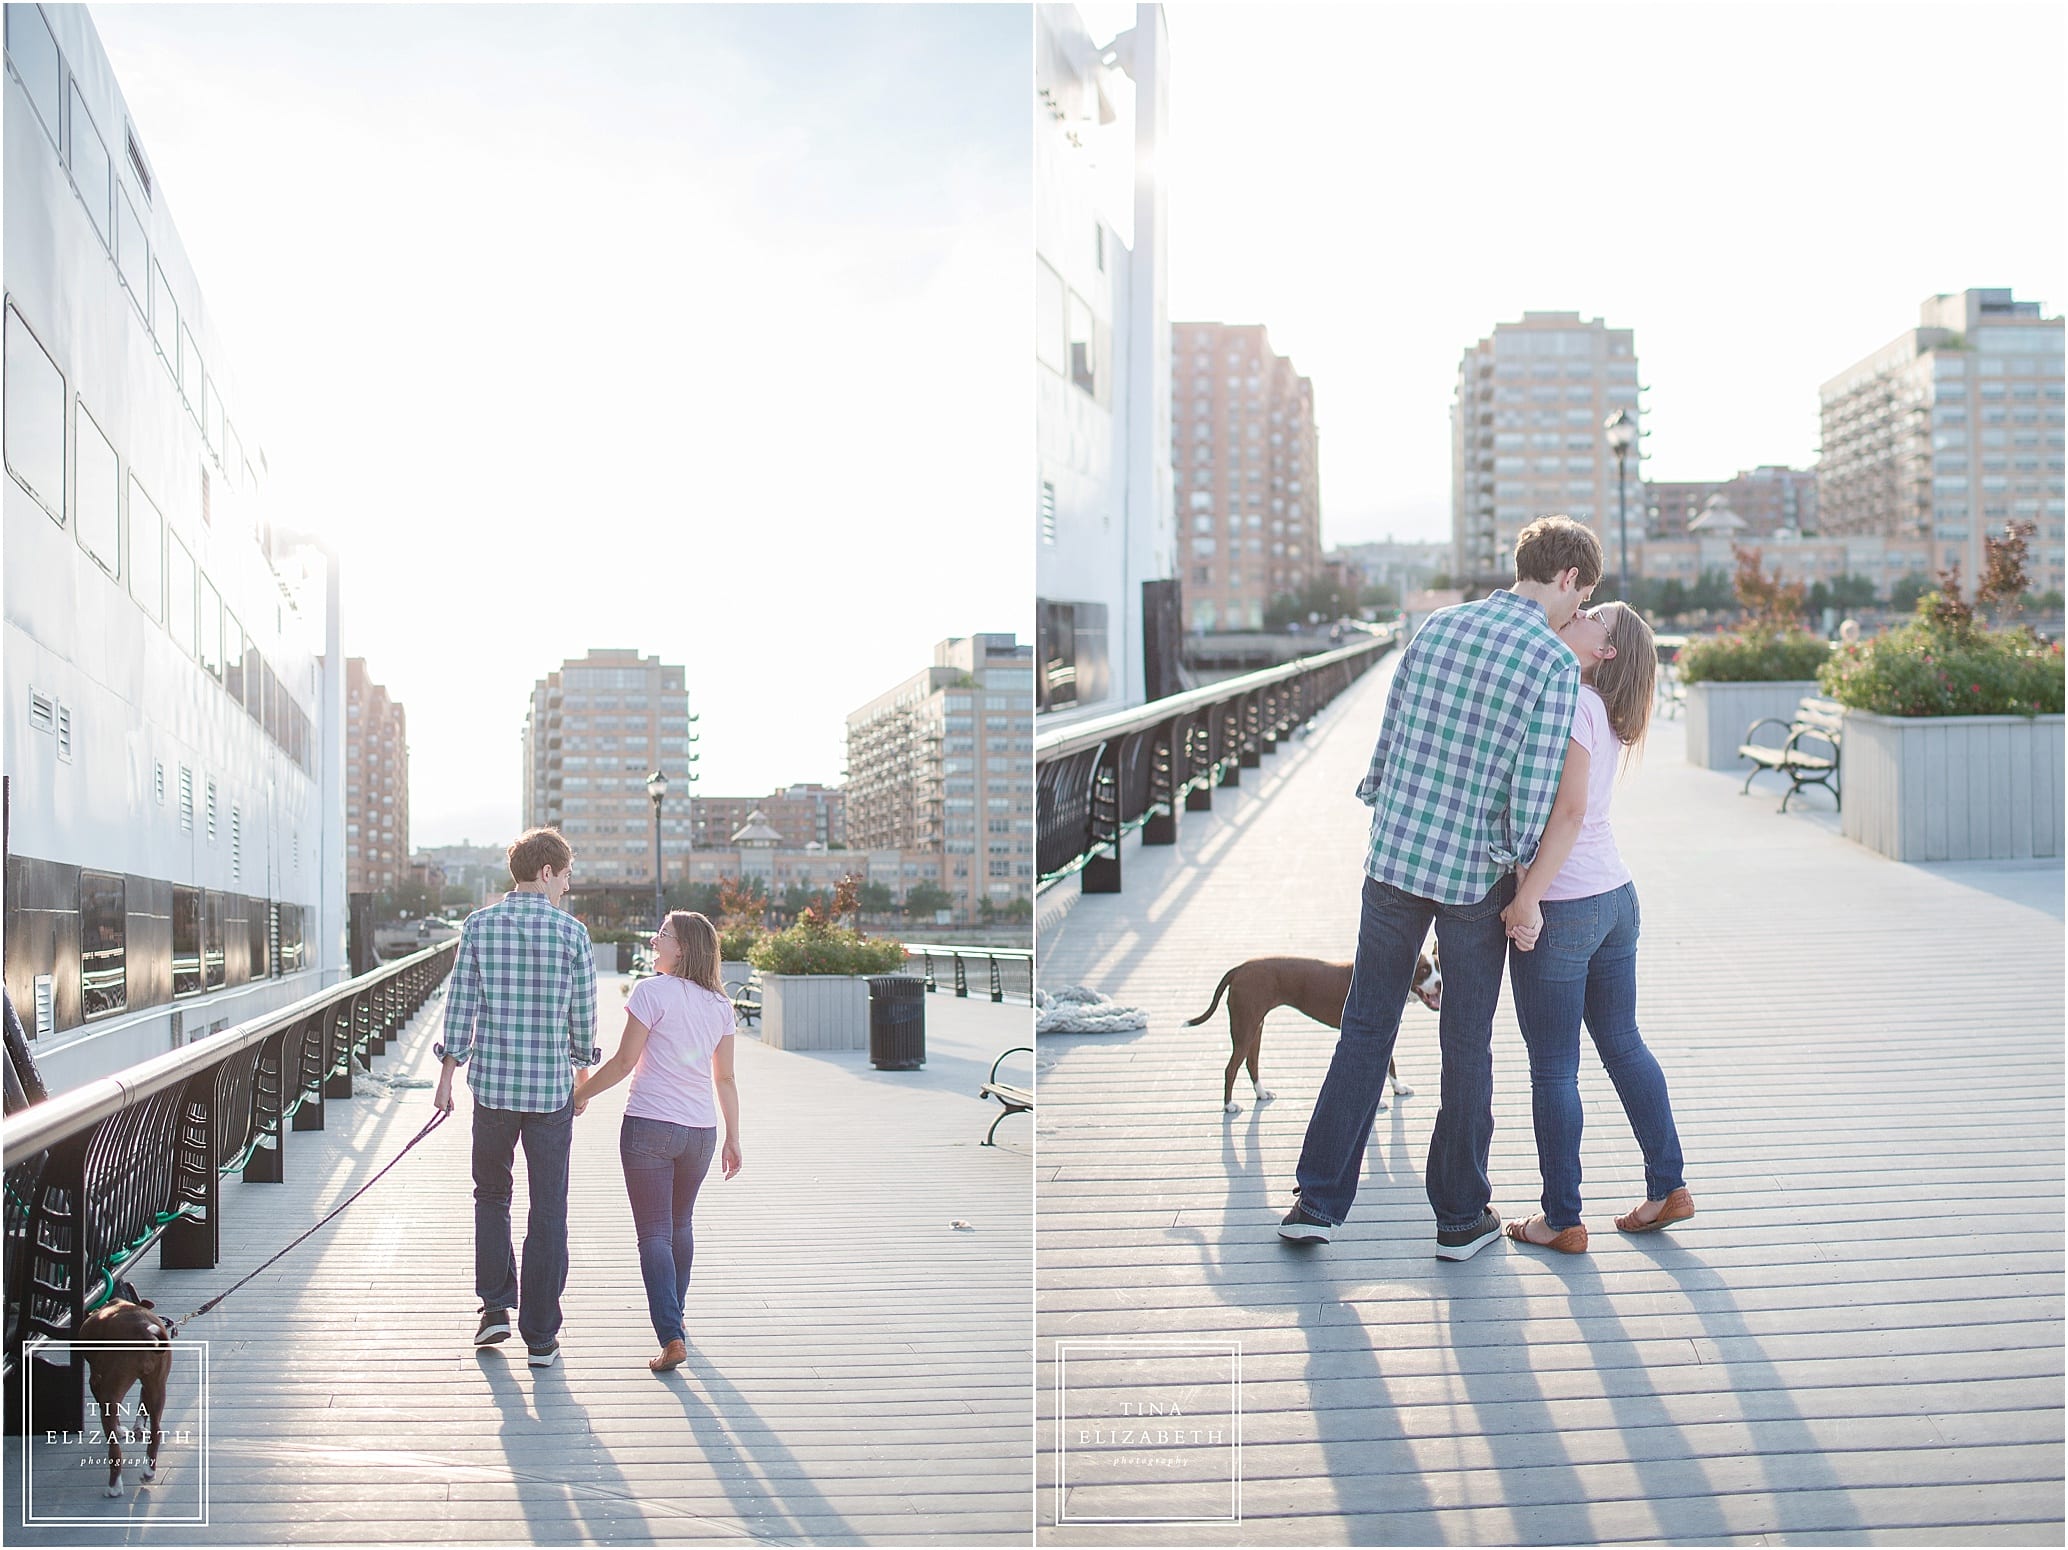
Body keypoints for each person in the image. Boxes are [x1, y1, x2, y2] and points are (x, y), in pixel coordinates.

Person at [1280, 515, 1600, 1259]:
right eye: (1580, 599)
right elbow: (1533, 782)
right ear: (1568, 579)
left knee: (1366, 1024)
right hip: (1472, 875)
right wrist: (1523, 880)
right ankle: (1460, 1220)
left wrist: (1384, 803)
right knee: (1466, 1042)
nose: (1576, 614)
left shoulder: (1439, 627)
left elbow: (1391, 732)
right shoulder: (1551, 665)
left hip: (1395, 856)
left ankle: (1317, 1203)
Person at [1501, 601, 1692, 1254]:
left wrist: (1528, 899)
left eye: (1593, 617)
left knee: (1554, 1069)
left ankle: (1560, 1219)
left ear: (1605, 651)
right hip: (1615, 898)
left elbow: (1571, 812)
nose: (1577, 614)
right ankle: (1668, 1186)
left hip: (1567, 904)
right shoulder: (1608, 710)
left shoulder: (1578, 703)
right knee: (1622, 1042)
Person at [434, 827, 598, 1367]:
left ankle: (495, 1310)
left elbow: (460, 1006)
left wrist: (446, 1076)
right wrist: (581, 1076)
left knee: (491, 1196)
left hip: (495, 1090)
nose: (568, 888)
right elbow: (583, 1019)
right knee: (549, 1207)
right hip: (550, 1091)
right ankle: (542, 1336)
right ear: (546, 872)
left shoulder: (478, 927)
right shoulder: (572, 935)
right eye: (566, 876)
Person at [573, 910, 742, 1372]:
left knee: (654, 1233)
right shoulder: (720, 1005)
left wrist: (579, 1095)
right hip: (701, 1134)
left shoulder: (651, 992)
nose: (653, 939)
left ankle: (670, 1335)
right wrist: (733, 1137)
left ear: (682, 948)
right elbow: (724, 1077)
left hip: (649, 1127)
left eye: (662, 935)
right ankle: (677, 1321)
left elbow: (626, 1061)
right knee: (679, 1225)